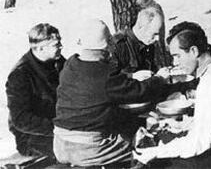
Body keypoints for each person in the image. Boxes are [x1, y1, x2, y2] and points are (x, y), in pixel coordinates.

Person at [53, 19, 193, 167]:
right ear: (107, 45)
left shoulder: (70, 64)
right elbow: (140, 92)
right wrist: (159, 79)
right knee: (146, 147)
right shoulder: (105, 74)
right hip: (89, 149)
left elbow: (95, 90)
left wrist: (130, 77)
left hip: (59, 143)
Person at [135, 22, 211, 168]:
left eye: (177, 56)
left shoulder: (210, 80)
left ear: (194, 51)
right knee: (170, 140)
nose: (175, 62)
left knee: (160, 163)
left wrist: (157, 152)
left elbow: (200, 143)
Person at [6, 23, 65, 158]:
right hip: (33, 137)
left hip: (61, 127)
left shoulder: (58, 62)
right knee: (76, 151)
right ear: (40, 48)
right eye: (56, 44)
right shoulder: (20, 75)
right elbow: (20, 119)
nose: (61, 47)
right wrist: (57, 128)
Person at [113, 6, 165, 74]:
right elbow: (112, 79)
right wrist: (132, 77)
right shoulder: (119, 44)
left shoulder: (147, 43)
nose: (157, 39)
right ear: (141, 27)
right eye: (154, 34)